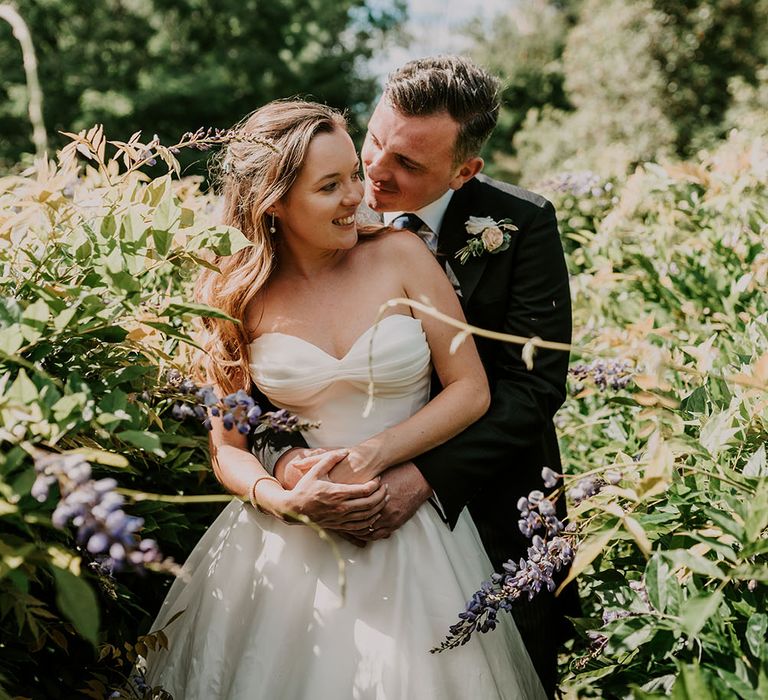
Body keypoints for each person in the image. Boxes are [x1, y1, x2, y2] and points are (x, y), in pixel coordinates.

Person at [144, 100, 545, 699]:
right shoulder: (233, 293)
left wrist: (378, 455)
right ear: (273, 202)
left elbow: (471, 388)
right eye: (330, 185)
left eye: (353, 174)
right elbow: (227, 447)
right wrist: (282, 499)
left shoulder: (401, 256)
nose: (357, 195)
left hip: (415, 530)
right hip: (286, 544)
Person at [264, 56, 579, 698]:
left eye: (409, 164)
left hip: (496, 513)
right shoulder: (317, 214)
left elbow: (533, 388)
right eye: (375, 141)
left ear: (465, 171)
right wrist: (289, 465)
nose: (375, 173)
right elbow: (263, 380)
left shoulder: (521, 226)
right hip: (331, 518)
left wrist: (422, 479)